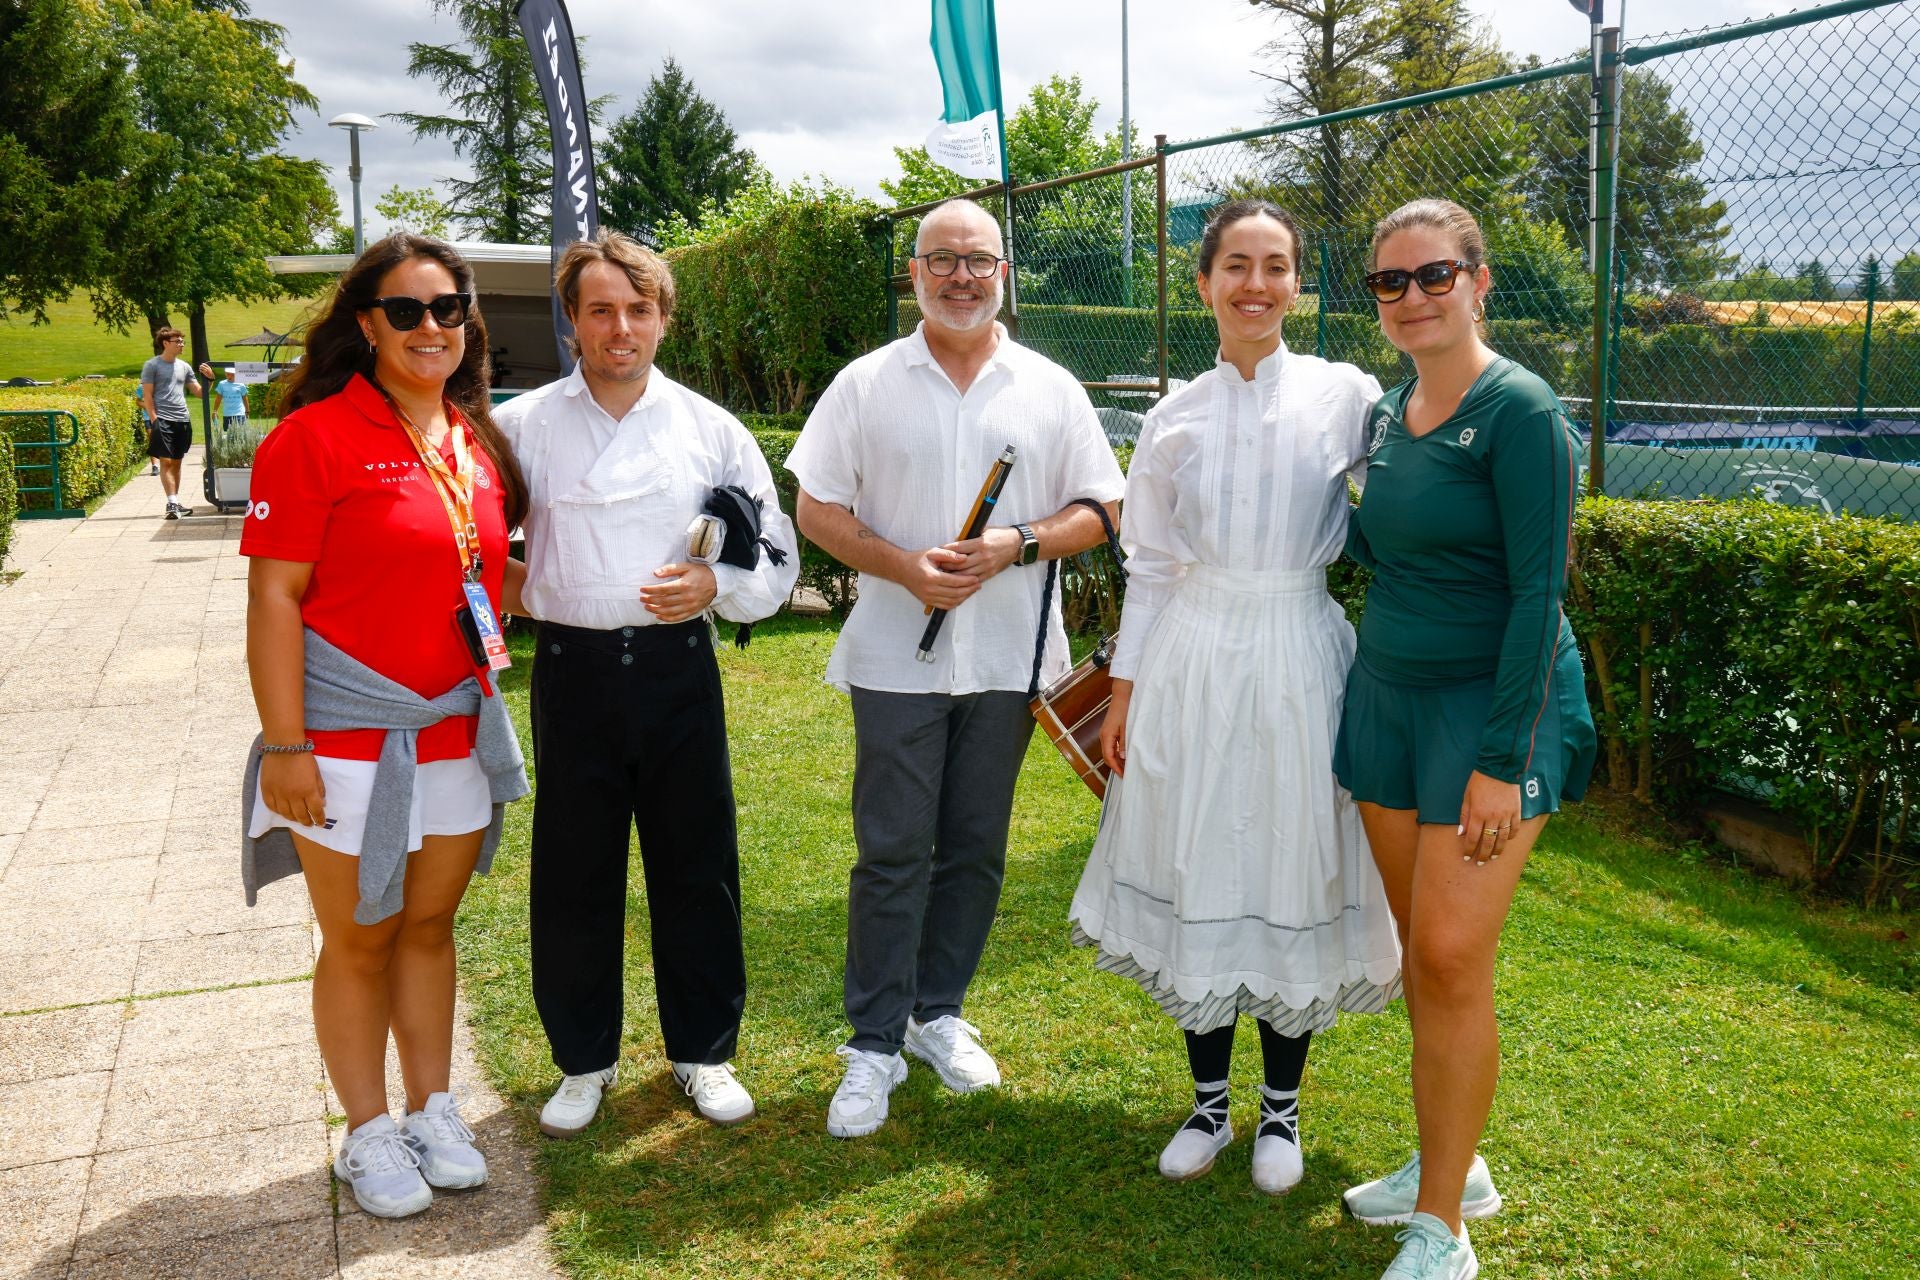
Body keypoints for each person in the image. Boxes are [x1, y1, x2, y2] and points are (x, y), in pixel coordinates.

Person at [1067, 200, 1401, 1194]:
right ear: (1203, 280)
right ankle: (1210, 1104)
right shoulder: (1173, 418)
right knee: (1203, 861)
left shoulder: (1349, 395)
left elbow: (1404, 515)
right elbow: (1154, 565)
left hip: (1303, 651)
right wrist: (1125, 691)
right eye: (1236, 265)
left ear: (1299, 283)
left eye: (1277, 266)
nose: (1256, 284)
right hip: (1195, 661)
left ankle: (1282, 1115)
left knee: (1289, 865)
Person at [788, 197, 1125, 1139]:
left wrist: (1016, 542)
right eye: (943, 259)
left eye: (979, 258)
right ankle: (872, 1043)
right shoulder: (865, 383)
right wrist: (905, 568)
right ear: (916, 272)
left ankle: (937, 1014)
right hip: (897, 656)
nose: (962, 276)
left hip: (1010, 661)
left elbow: (1105, 508)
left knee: (974, 848)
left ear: (1005, 270)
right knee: (893, 850)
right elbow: (816, 507)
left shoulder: (1050, 387)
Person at [239, 233, 532, 1219]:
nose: (430, 327)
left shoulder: (472, 438)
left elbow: (476, 576)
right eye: (406, 310)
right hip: (346, 739)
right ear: (365, 322)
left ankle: (432, 1107)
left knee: (428, 926)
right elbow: (275, 598)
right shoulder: (313, 436)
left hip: (455, 730)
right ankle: (366, 1130)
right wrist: (286, 743)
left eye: (447, 307)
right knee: (360, 934)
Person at [1331, 198, 1596, 1280]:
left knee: (1449, 956)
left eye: (1433, 275)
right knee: (1421, 960)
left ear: (1479, 282)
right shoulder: (1391, 414)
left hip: (1492, 712)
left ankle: (1442, 1227)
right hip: (1389, 701)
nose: (1411, 298)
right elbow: (1372, 546)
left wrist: (1501, 758)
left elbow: (1540, 594)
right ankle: (1455, 1162)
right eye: (1389, 282)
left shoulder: (1521, 410)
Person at [492, 230, 799, 1138]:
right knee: (574, 874)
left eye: (637, 309)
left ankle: (704, 1052)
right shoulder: (520, 429)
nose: (619, 327)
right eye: (599, 310)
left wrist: (717, 585)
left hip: (678, 676)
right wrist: (534, 596)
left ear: (663, 318)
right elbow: (473, 553)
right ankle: (583, 1062)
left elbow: (776, 557)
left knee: (696, 868)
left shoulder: (712, 429)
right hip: (573, 674)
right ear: (573, 321)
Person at [138, 329, 210, 517]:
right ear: (165, 343)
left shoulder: (184, 367)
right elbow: (147, 396)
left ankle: (175, 502)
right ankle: (171, 503)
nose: (181, 344)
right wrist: (154, 420)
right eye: (177, 341)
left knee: (177, 463)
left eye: (182, 341)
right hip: (163, 420)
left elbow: (200, 393)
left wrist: (210, 379)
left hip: (182, 420)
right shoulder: (152, 365)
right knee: (166, 461)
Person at [214, 366, 250, 435]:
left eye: (232, 374)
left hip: (239, 413)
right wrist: (215, 411)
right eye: (228, 374)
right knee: (228, 434)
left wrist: (247, 410)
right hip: (227, 414)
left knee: (240, 434)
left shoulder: (241, 385)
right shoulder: (222, 384)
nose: (230, 376)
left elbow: (245, 398)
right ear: (225, 374)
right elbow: (218, 398)